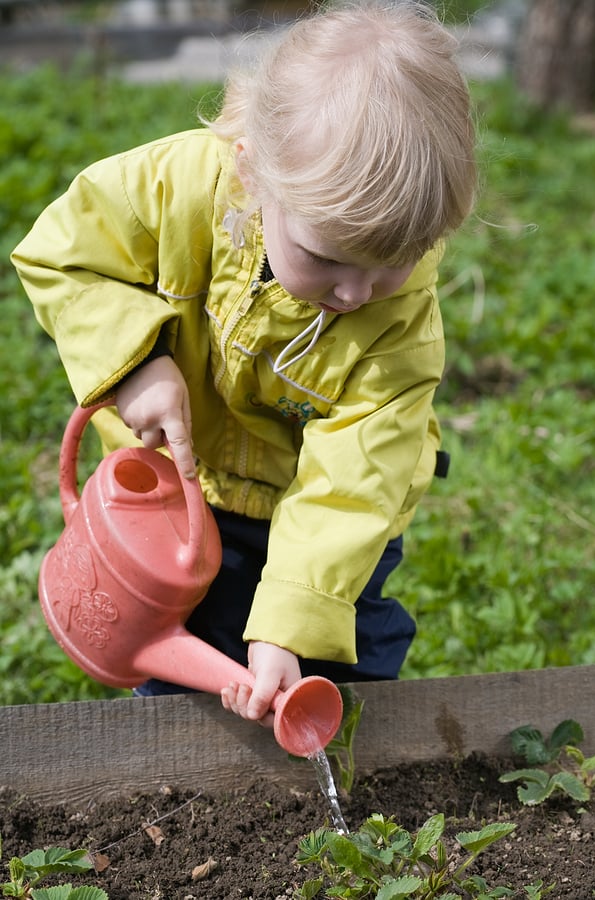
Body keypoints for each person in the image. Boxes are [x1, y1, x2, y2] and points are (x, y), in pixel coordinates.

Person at [11, 1, 476, 731]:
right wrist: (137, 362)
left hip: (317, 507)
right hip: (183, 490)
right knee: (188, 640)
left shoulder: (400, 319)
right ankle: (184, 758)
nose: (356, 294)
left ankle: (345, 735)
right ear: (255, 173)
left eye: (394, 263)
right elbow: (63, 255)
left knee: (337, 640)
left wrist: (291, 618)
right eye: (325, 259)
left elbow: (355, 480)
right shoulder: (174, 189)